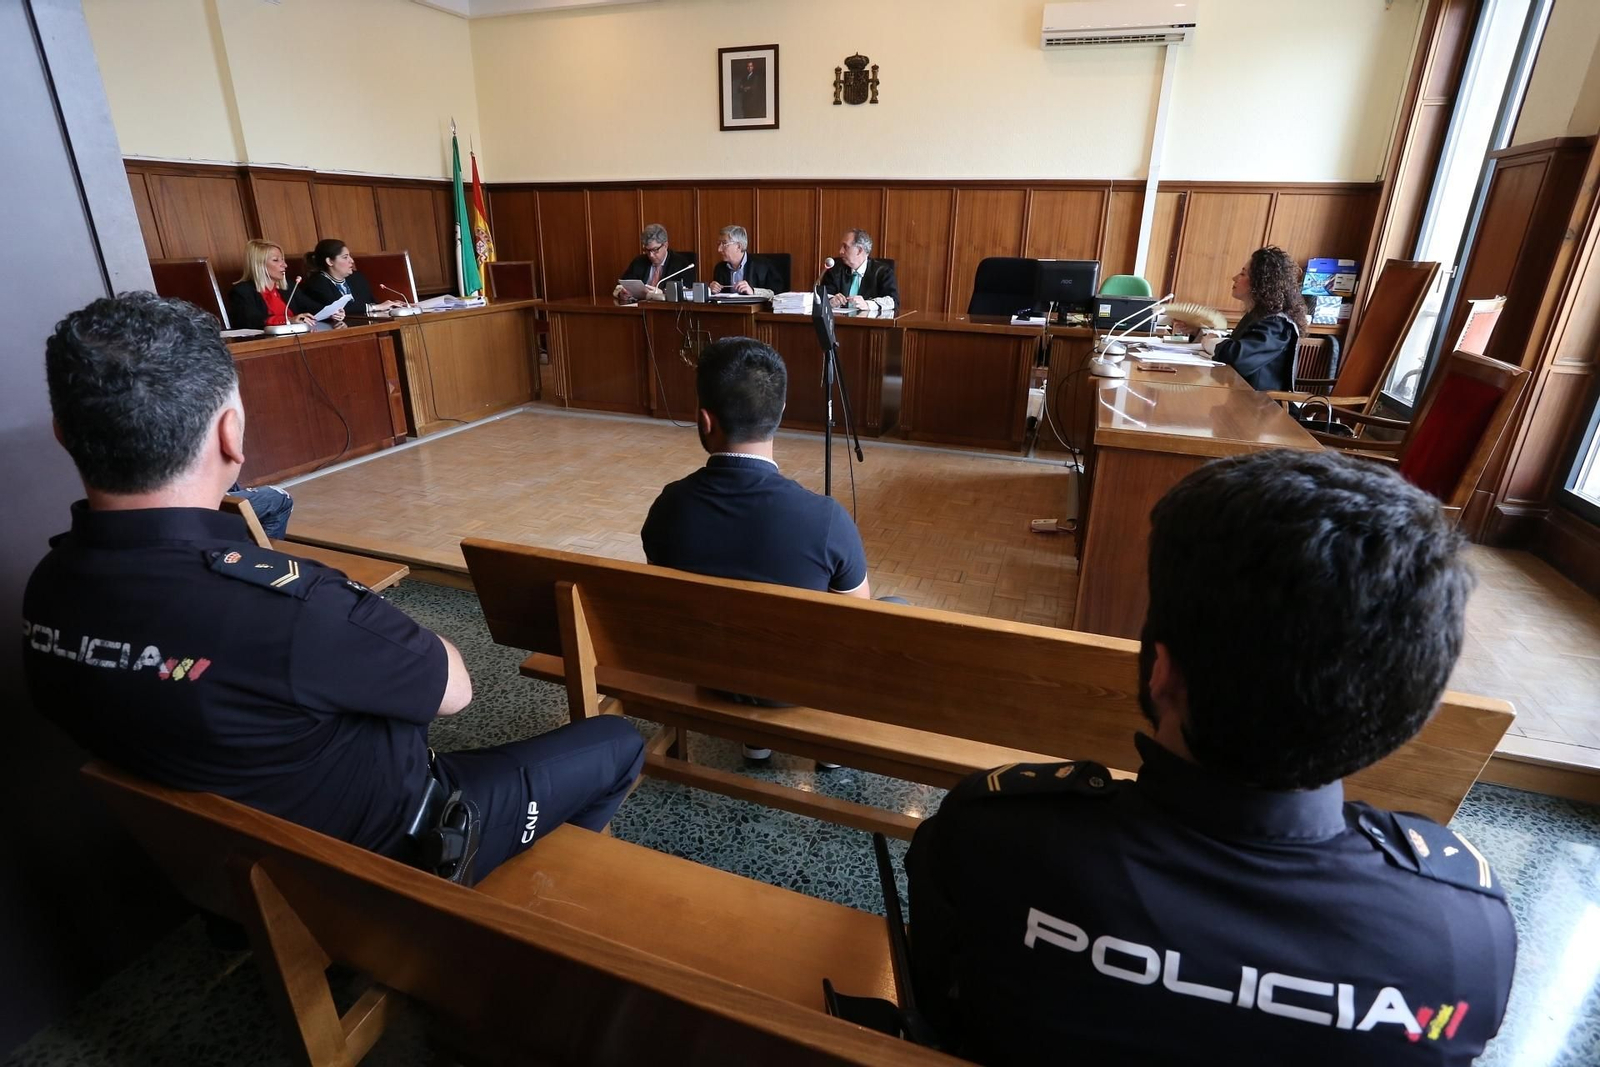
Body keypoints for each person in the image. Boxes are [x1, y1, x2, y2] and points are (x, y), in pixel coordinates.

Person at [905, 449, 1516, 1065]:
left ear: (1162, 672)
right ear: (1408, 703)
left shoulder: (995, 831)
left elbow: (941, 1003)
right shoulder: (1465, 932)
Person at [24, 293, 645, 883]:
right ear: (230, 434)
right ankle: (514, 918)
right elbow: (455, 690)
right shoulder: (287, 607)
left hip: (233, 869)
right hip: (387, 863)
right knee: (617, 742)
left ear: (62, 432)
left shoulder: (48, 591)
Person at [641, 336, 879, 763]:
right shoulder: (825, 519)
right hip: (794, 686)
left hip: (707, 674)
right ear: (780, 414)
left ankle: (755, 742)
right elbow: (856, 628)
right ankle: (828, 747)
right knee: (891, 608)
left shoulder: (668, 507)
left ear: (704, 421)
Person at [1172, 245, 1306, 391]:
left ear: (1261, 282)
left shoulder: (1277, 324)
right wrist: (1198, 332)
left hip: (1263, 408)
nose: (1234, 278)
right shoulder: (1257, 315)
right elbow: (1236, 342)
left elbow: (1238, 358)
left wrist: (1209, 341)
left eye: (1243, 274)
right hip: (1243, 399)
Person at [299, 239, 403, 320]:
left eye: (350, 256)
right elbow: (336, 308)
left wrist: (392, 306)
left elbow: (372, 303)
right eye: (345, 257)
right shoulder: (317, 283)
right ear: (330, 261)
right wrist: (376, 307)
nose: (351, 261)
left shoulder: (357, 278)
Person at [227, 240, 317, 331]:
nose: (285, 265)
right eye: (276, 260)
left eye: (283, 259)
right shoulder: (242, 291)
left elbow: (312, 307)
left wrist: (330, 314)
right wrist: (288, 320)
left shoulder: (289, 286)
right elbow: (250, 321)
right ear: (259, 264)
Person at [613, 223, 696, 302]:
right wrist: (621, 294)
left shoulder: (681, 264)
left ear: (665, 245)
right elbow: (621, 285)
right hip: (640, 309)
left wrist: (663, 294)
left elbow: (688, 293)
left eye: (655, 250)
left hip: (668, 312)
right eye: (647, 250)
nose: (651, 255)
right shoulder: (639, 262)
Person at [821, 229, 898, 312]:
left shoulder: (883, 271)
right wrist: (831, 300)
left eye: (845, 247)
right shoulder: (835, 268)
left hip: (869, 323)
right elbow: (821, 295)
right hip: (838, 322)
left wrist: (867, 304)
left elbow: (892, 300)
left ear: (859, 251)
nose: (841, 251)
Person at [708, 226, 782, 298]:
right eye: (718, 244)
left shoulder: (763, 265)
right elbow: (718, 298)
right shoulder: (720, 268)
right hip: (729, 309)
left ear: (739, 246)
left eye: (724, 244)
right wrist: (711, 290)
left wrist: (753, 291)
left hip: (754, 309)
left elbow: (777, 293)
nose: (719, 249)